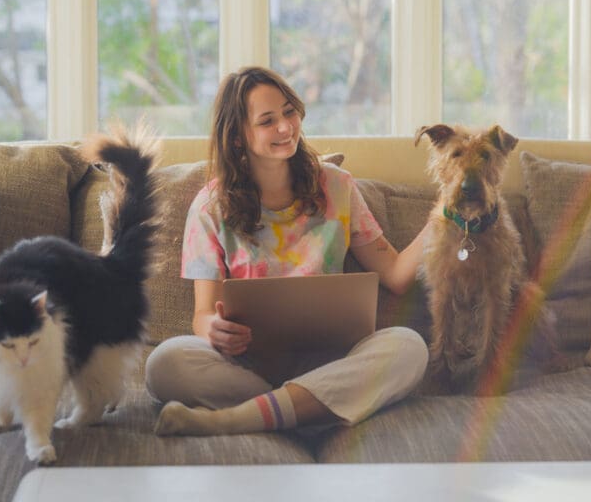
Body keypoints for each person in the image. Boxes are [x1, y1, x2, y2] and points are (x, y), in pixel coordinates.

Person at [146, 66, 428, 436]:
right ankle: (305, 407)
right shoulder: (209, 208)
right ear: (237, 138)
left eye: (289, 111)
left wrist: (446, 216)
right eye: (267, 121)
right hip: (251, 367)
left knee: (408, 347)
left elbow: (396, 275)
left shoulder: (337, 187)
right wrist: (213, 330)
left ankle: (241, 418)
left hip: (333, 360)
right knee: (164, 364)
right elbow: (202, 315)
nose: (285, 127)